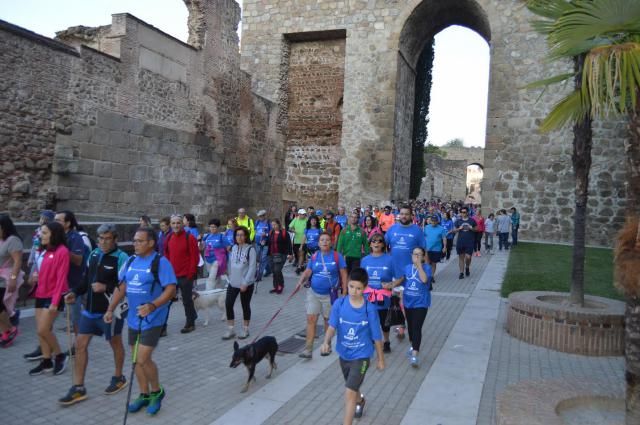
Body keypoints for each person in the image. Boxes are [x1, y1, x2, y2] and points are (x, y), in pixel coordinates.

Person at [105, 227, 177, 416]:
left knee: (143, 358)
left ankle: (157, 392)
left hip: (153, 318)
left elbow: (170, 290)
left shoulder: (161, 262)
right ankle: (143, 394)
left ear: (151, 243)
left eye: (139, 241)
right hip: (133, 319)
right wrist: (110, 308)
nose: (134, 244)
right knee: (136, 359)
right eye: (134, 240)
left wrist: (152, 306)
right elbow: (122, 287)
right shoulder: (130, 261)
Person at [58, 223, 130, 405]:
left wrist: (105, 287)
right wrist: (74, 291)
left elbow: (125, 287)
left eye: (107, 239)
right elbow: (86, 280)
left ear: (115, 239)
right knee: (80, 345)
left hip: (110, 312)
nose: (103, 242)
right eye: (100, 239)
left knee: (115, 343)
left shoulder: (122, 258)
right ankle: (78, 387)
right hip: (89, 311)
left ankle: (119, 376)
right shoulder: (94, 254)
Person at [320, 268, 384, 425]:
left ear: (365, 288)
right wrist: (326, 342)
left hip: (361, 356)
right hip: (344, 354)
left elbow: (376, 335)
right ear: (347, 285)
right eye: (351, 287)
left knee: (349, 392)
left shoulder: (369, 308)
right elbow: (332, 326)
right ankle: (360, 401)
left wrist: (380, 359)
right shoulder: (339, 304)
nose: (354, 291)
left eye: (358, 288)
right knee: (352, 388)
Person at [296, 233, 347, 359]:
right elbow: (308, 271)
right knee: (311, 319)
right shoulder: (314, 256)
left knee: (327, 321)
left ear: (331, 242)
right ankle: (308, 349)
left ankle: (326, 345)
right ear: (318, 243)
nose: (325, 242)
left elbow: (344, 274)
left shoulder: (337, 256)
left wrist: (345, 292)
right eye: (322, 240)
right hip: (313, 293)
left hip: (330, 295)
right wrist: (300, 281)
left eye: (327, 239)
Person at [29, 221, 69, 376]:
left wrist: (54, 301)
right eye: (41, 232)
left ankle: (59, 355)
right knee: (41, 331)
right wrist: (36, 275)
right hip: (40, 292)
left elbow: (61, 278)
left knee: (43, 329)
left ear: (54, 234)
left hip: (54, 295)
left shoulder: (62, 251)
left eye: (44, 233)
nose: (41, 235)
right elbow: (42, 268)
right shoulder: (43, 249)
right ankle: (46, 361)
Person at [391, 247, 432, 368]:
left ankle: (415, 355)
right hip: (408, 303)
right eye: (415, 254)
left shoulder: (427, 268)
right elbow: (403, 282)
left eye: (420, 255)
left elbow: (424, 280)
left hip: (421, 303)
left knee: (417, 327)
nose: (417, 257)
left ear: (424, 257)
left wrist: (419, 265)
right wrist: (391, 286)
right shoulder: (407, 268)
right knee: (411, 328)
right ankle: (413, 345)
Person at [55, 211, 89, 339]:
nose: (55, 222)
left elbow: (78, 260)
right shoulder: (54, 237)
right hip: (57, 283)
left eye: (58, 220)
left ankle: (78, 344)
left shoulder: (75, 237)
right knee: (49, 316)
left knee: (75, 317)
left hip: (72, 283)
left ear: (68, 223)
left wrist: (62, 250)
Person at [164, 215, 199, 334]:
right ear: (170, 225)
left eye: (178, 223)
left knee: (186, 301)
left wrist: (190, 274)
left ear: (182, 224)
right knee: (166, 301)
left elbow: (195, 257)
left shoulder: (190, 238)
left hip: (186, 275)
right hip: (172, 276)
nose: (176, 225)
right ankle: (162, 327)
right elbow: (167, 256)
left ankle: (190, 323)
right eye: (173, 223)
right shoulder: (168, 237)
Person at [360, 234, 394, 352]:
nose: (376, 243)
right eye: (373, 241)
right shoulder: (364, 260)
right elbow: (361, 278)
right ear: (370, 244)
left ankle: (386, 341)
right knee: (370, 320)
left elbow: (397, 277)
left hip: (383, 296)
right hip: (368, 296)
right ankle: (372, 339)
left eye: (379, 241)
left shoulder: (390, 259)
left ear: (383, 244)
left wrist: (392, 285)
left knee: (384, 322)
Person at [222, 227, 256, 340]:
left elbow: (252, 268)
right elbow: (231, 262)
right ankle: (230, 329)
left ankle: (246, 329)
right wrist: (228, 273)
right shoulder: (234, 248)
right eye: (237, 235)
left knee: (245, 306)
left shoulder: (251, 249)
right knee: (228, 304)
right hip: (233, 282)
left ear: (246, 236)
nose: (239, 237)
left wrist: (245, 283)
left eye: (241, 235)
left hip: (246, 284)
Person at [0, 215, 23, 347]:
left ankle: (11, 328)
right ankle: (5, 331)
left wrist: (13, 279)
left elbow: (18, 261)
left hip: (6, 278)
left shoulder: (13, 240)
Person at [200, 219, 229, 289]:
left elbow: (228, 248)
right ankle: (219, 290)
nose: (212, 228)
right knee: (216, 276)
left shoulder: (222, 236)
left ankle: (208, 292)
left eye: (214, 227)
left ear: (218, 227)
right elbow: (201, 248)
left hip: (217, 260)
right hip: (208, 260)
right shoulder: (206, 236)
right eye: (211, 227)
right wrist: (199, 241)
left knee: (211, 277)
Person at [266, 219, 293, 294]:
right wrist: (264, 242)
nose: (273, 226)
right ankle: (276, 286)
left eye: (275, 224)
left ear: (279, 224)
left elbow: (289, 244)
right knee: (274, 271)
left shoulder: (284, 233)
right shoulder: (271, 232)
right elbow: (268, 242)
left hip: (281, 254)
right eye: (272, 225)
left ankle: (280, 285)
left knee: (277, 270)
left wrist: (290, 254)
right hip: (271, 254)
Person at [453, 207, 477, 279]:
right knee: (461, 258)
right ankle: (461, 273)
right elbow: (454, 230)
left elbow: (476, 229)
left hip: (469, 241)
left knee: (468, 257)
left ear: (467, 212)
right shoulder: (458, 221)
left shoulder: (472, 220)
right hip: (460, 242)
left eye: (465, 212)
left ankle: (467, 267)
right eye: (462, 212)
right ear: (460, 213)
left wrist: (471, 228)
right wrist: (459, 229)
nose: (463, 213)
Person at [423, 215, 447, 281]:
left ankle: (432, 276)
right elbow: (423, 236)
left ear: (437, 221)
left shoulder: (441, 228)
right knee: (427, 263)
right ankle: (428, 276)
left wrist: (444, 247)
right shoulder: (426, 227)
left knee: (433, 263)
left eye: (435, 221)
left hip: (436, 249)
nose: (433, 222)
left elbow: (444, 238)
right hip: (427, 249)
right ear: (430, 221)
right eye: (432, 221)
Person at [254, 210, 272, 282]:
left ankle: (259, 274)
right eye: (259, 216)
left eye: (261, 216)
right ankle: (268, 269)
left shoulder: (269, 223)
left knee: (263, 258)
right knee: (258, 258)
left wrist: (266, 235)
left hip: (265, 244)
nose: (260, 217)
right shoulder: (257, 222)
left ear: (265, 216)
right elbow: (255, 230)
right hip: (258, 243)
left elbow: (272, 233)